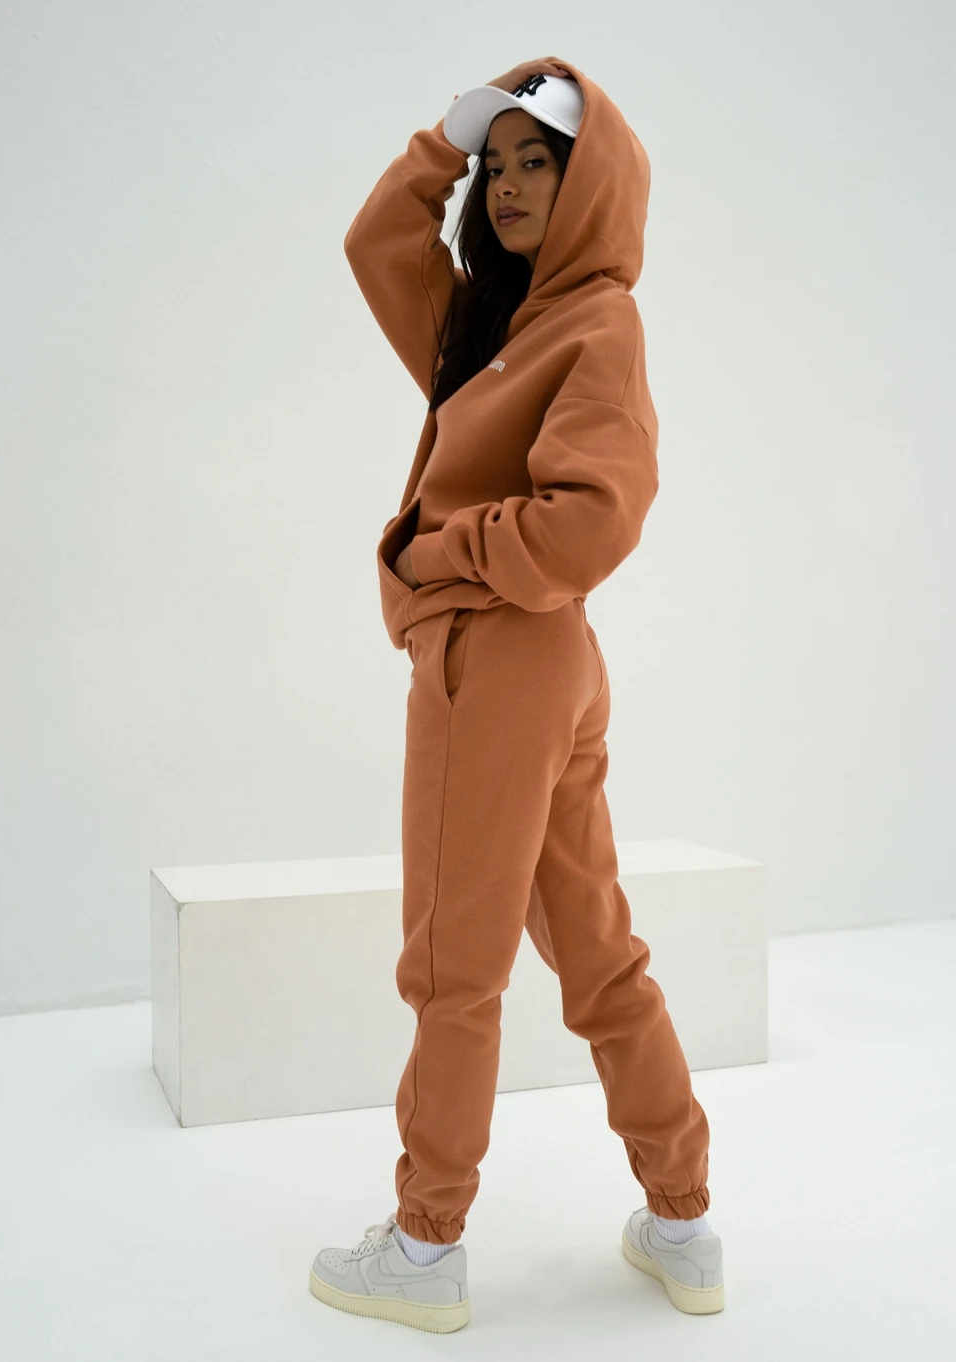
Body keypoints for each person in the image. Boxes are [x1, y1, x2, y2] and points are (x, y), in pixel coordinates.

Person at [309, 56, 725, 1334]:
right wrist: (454, 129)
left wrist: (446, 553)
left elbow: (590, 523)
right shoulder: (493, 326)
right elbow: (379, 243)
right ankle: (683, 1222)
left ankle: (425, 1245)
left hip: (497, 658)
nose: (506, 184)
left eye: (539, 161)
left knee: (455, 964)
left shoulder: (596, 322)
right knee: (596, 952)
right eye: (496, 166)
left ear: (594, 181)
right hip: (548, 666)